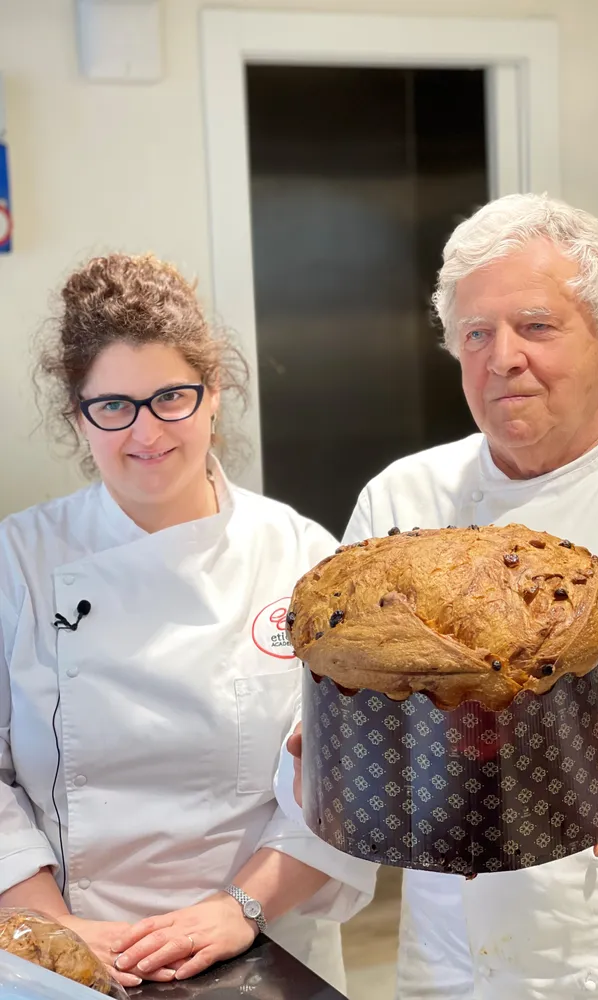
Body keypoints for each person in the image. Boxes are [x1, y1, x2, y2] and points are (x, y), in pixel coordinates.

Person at [285, 193, 598, 999]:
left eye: (536, 326)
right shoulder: (403, 498)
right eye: (476, 333)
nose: (501, 357)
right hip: (461, 962)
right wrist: (322, 751)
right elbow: (347, 677)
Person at [0, 253, 375, 992]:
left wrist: (240, 907)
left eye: (172, 396)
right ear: (77, 413)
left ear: (213, 394)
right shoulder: (19, 558)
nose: (147, 433)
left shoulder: (302, 557)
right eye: (113, 406)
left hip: (268, 941)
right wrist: (56, 929)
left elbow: (353, 777)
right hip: (66, 956)